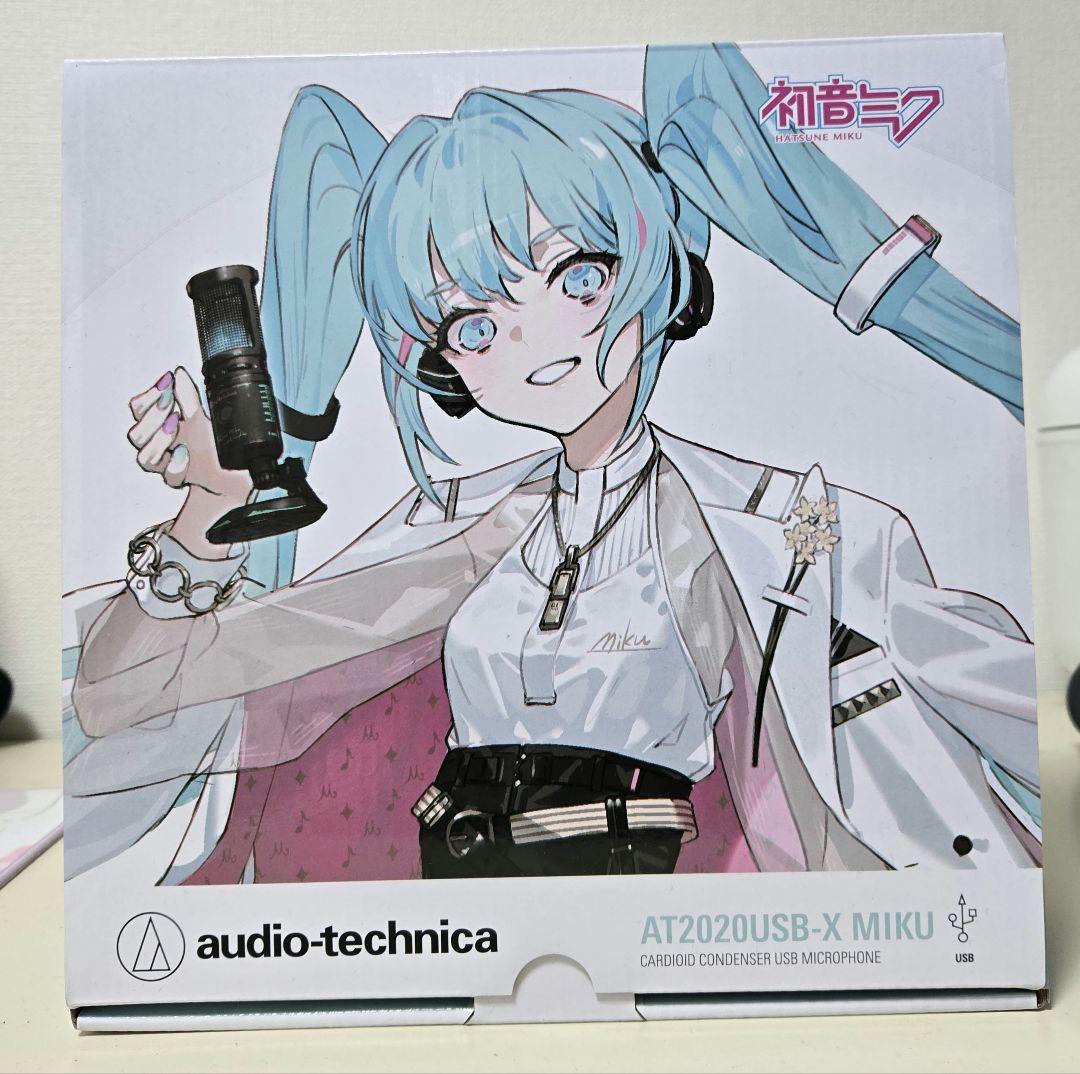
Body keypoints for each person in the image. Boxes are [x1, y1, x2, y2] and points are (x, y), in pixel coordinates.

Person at [63, 44, 1040, 883]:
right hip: (457, 921)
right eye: (475, 323)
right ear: (439, 360)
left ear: (658, 266)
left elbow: (1001, 701)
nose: (536, 343)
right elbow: (126, 696)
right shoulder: (455, 529)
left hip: (673, 928)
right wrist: (210, 507)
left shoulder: (793, 529)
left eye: (579, 277)